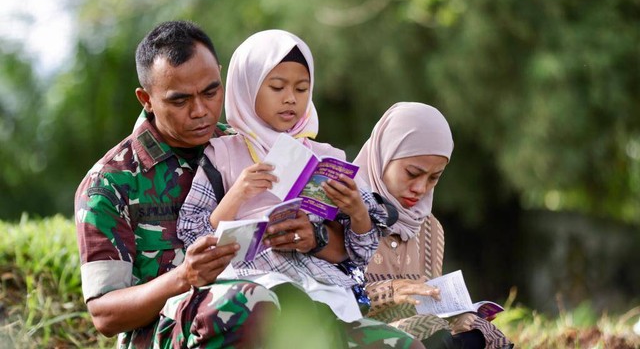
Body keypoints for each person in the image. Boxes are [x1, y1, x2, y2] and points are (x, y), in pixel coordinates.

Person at [177, 29, 423, 348]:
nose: (291, 98)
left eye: (302, 88)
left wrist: (357, 211)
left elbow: (362, 253)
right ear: (247, 88)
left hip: (325, 292)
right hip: (255, 292)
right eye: (277, 87)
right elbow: (192, 235)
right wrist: (238, 193)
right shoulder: (222, 154)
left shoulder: (326, 158)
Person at [74, 20, 279, 348]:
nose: (200, 111)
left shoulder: (245, 147)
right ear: (147, 99)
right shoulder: (111, 182)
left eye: (211, 92)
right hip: (169, 333)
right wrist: (183, 277)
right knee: (246, 305)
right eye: (180, 100)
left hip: (268, 299)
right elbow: (105, 314)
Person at [354, 102, 513, 349]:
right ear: (383, 155)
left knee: (475, 336)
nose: (420, 188)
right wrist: (390, 291)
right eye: (412, 173)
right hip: (357, 335)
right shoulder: (345, 212)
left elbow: (429, 303)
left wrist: (458, 316)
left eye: (433, 178)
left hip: (420, 332)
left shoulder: (429, 228)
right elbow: (328, 298)